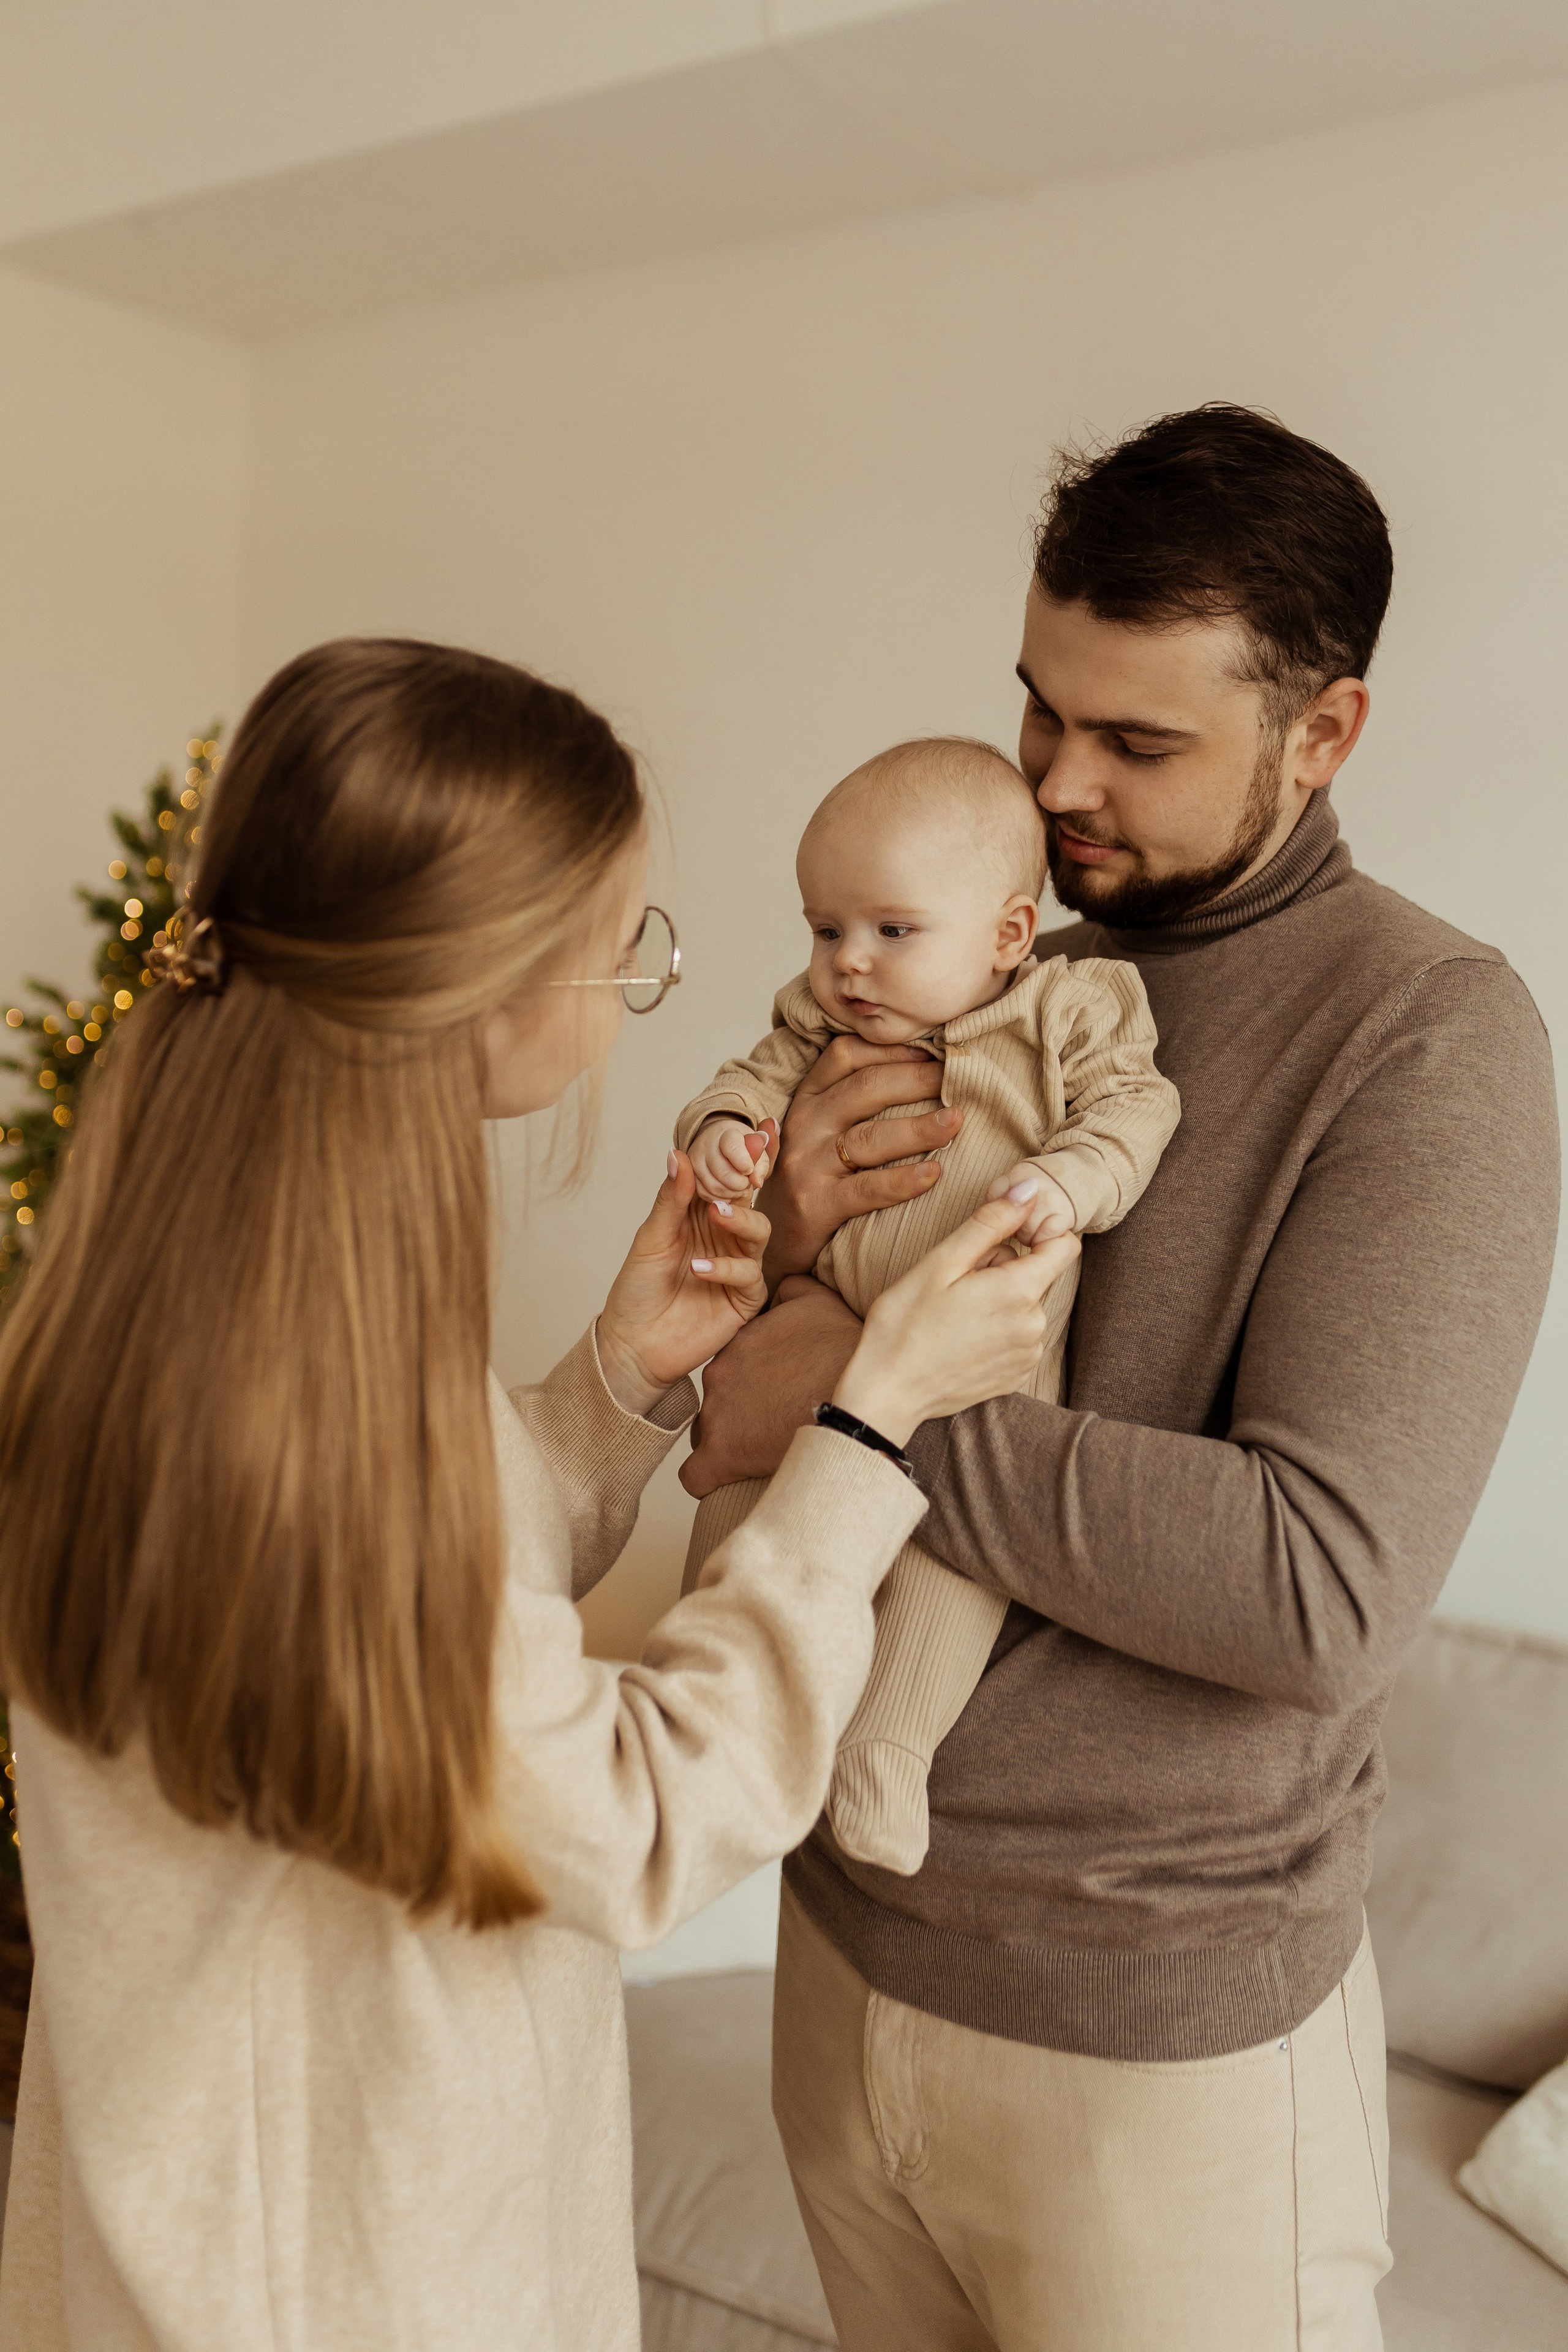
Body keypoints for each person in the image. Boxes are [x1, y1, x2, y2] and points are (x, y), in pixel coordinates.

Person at [0, 638, 1076, 2351]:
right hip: (344, 2279)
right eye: (617, 949)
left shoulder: (206, 1305)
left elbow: (406, 1657)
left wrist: (611, 1386)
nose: (629, 986)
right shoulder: (295, 1406)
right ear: (496, 989)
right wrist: (875, 1428)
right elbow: (640, 1820)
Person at [683, 406, 1561, 2350]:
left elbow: (1316, 1588)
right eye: (1039, 709)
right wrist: (770, 1265)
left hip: (1162, 2057)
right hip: (839, 1942)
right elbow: (737, 1380)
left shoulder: (1429, 1038)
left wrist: (863, 1393)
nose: (1060, 783)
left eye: (1140, 742)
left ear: (1324, 732)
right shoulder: (985, 976)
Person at [677, 736, 1177, 1874]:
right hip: (812, 1348)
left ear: (1008, 934)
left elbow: (1136, 1110)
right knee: (743, 1509)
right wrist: (719, 1135)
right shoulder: (822, 1025)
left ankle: (887, 1752)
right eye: (825, 929)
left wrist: (1068, 1180)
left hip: (974, 1360)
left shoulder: (1072, 1009)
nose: (849, 963)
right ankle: (718, 1725)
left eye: (892, 931)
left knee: (950, 1570)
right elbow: (743, 1080)